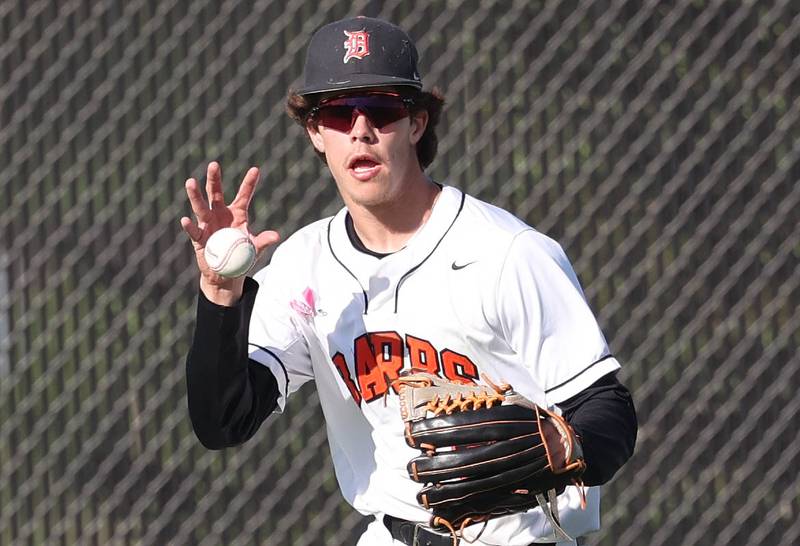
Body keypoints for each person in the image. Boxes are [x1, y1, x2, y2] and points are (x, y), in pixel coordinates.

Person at [181, 16, 637, 546]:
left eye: (381, 108)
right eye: (336, 111)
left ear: (417, 124)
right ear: (314, 132)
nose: (360, 129)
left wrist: (563, 448)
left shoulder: (506, 253)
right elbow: (222, 422)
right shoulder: (305, 265)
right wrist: (220, 293)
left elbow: (610, 416)